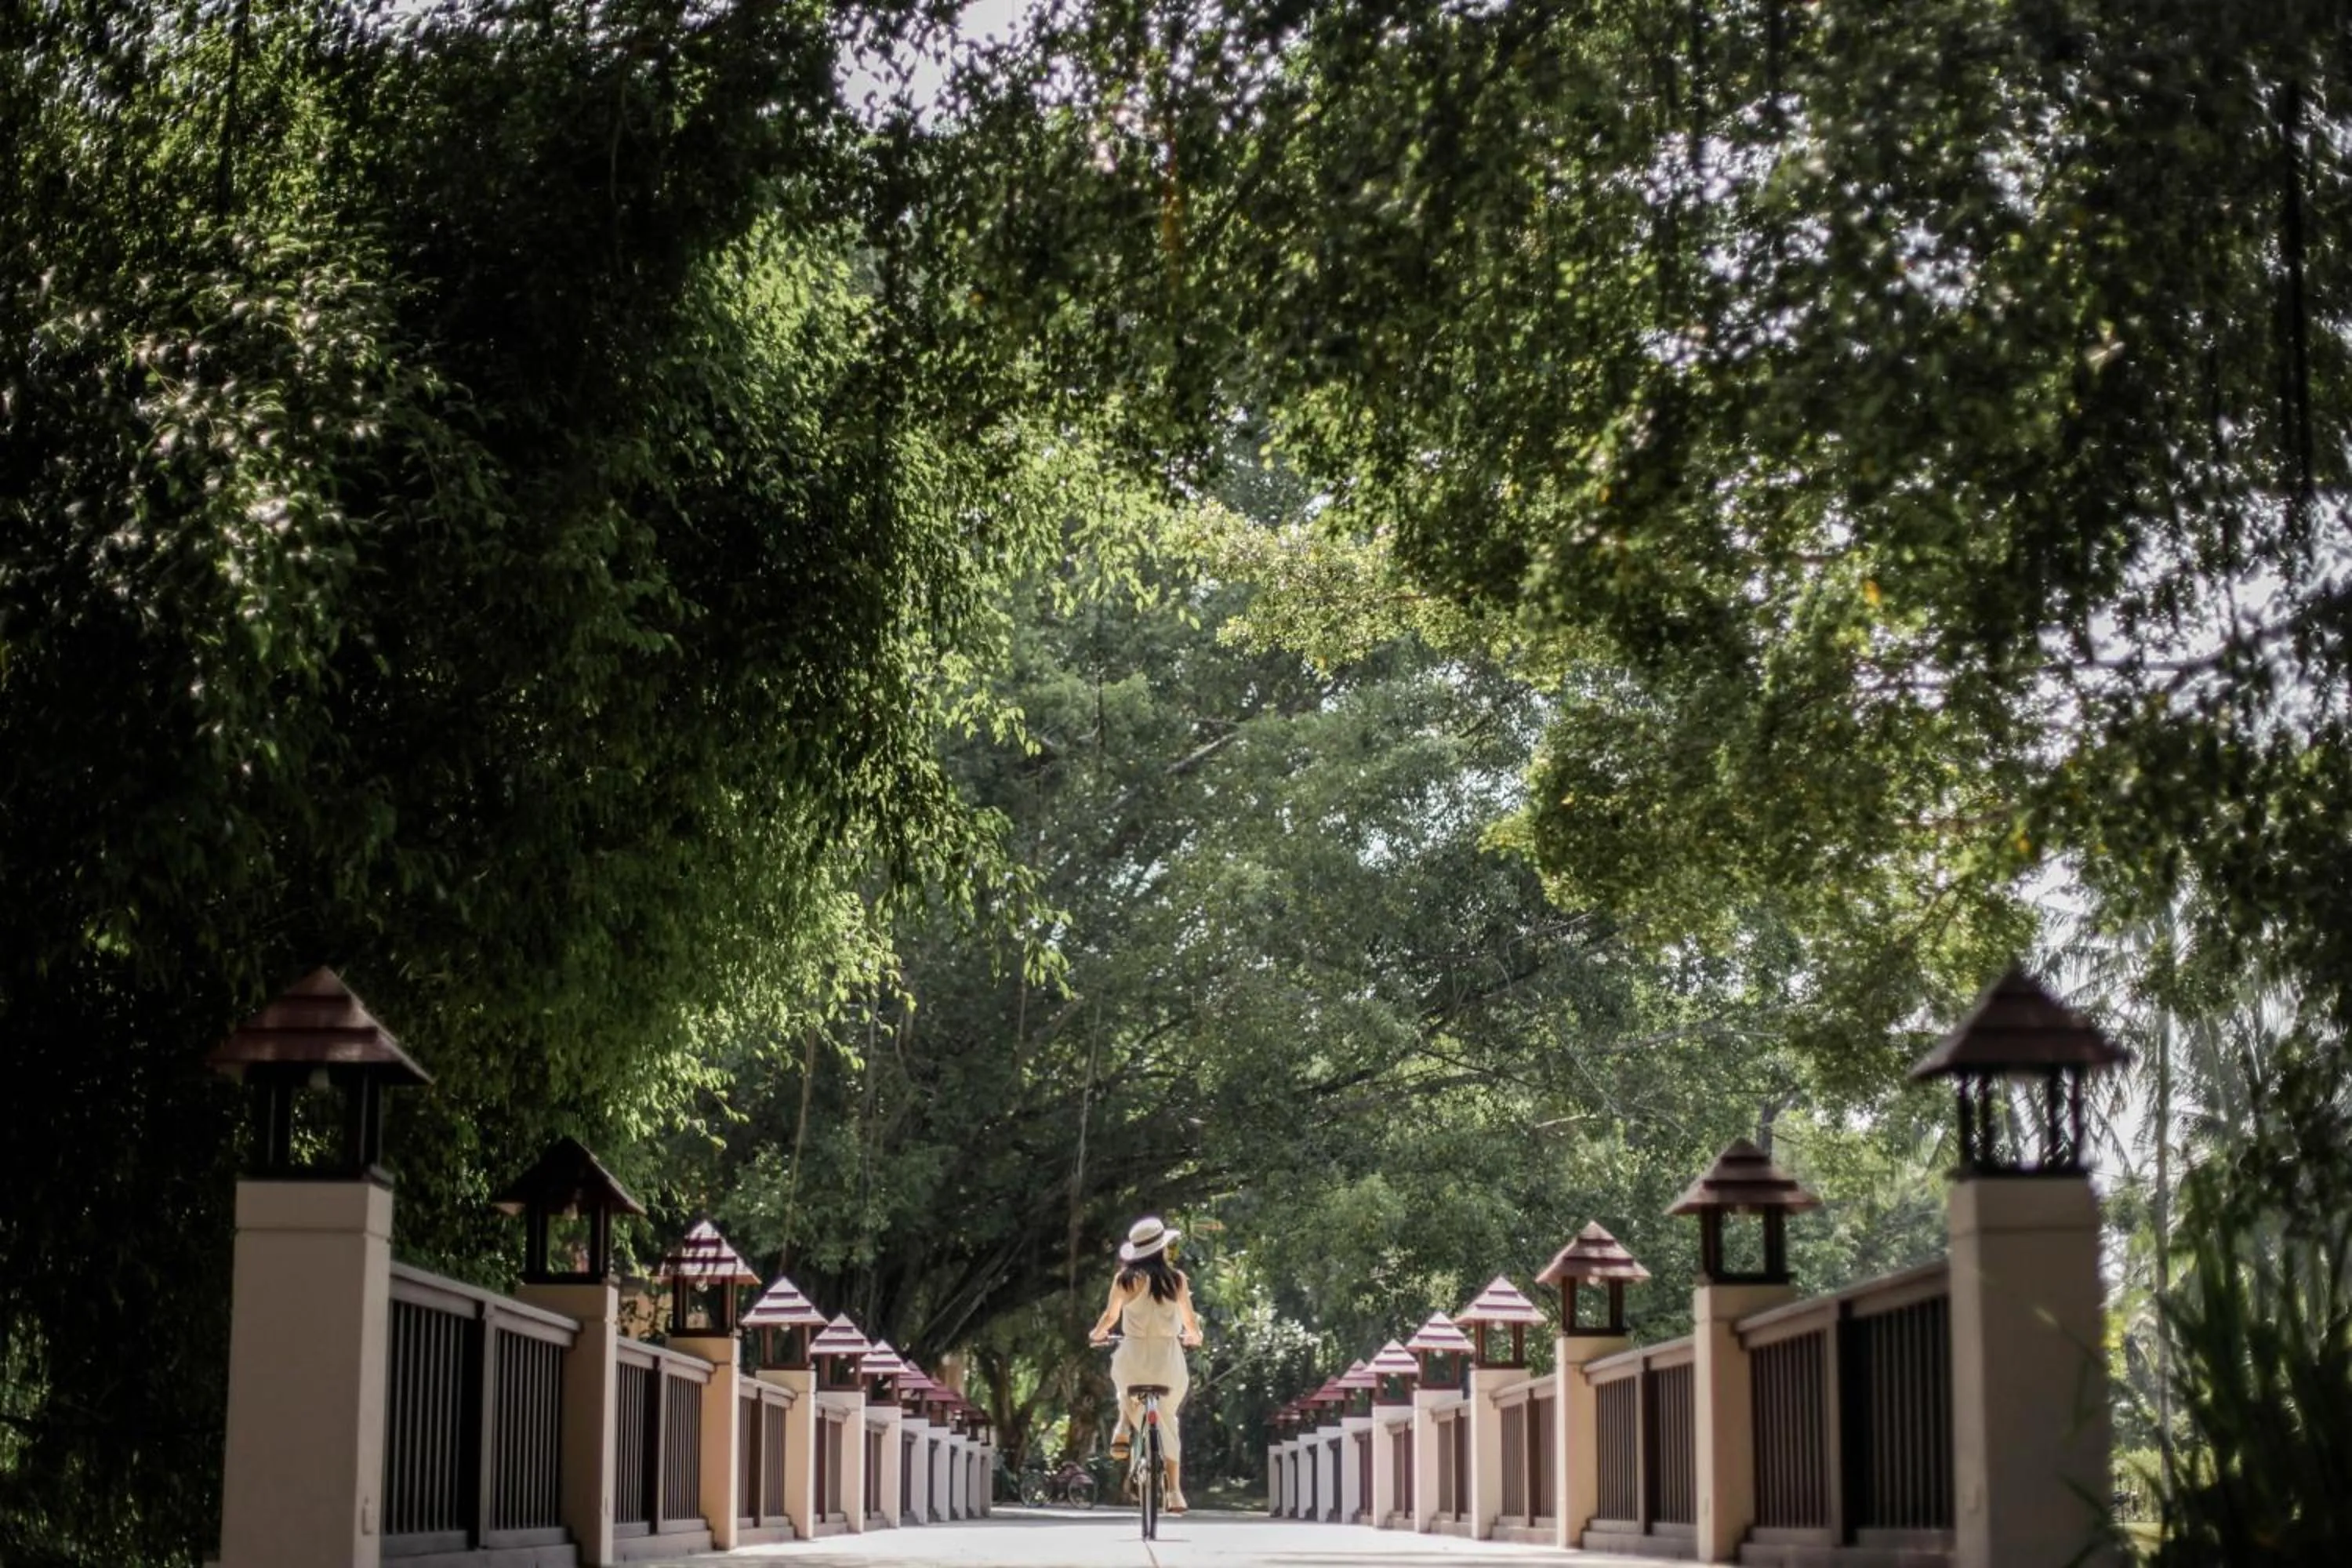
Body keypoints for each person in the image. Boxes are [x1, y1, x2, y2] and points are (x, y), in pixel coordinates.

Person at [1087, 1215, 1204, 1514]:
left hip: (1134, 1355)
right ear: (1162, 1248)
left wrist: (1097, 1334)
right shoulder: (1176, 1280)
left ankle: (1123, 1425)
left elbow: (1110, 1318)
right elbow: (1190, 1321)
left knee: (1123, 1382)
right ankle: (1174, 1492)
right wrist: (1194, 1336)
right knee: (1168, 1419)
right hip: (1167, 1360)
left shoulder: (1125, 1280)